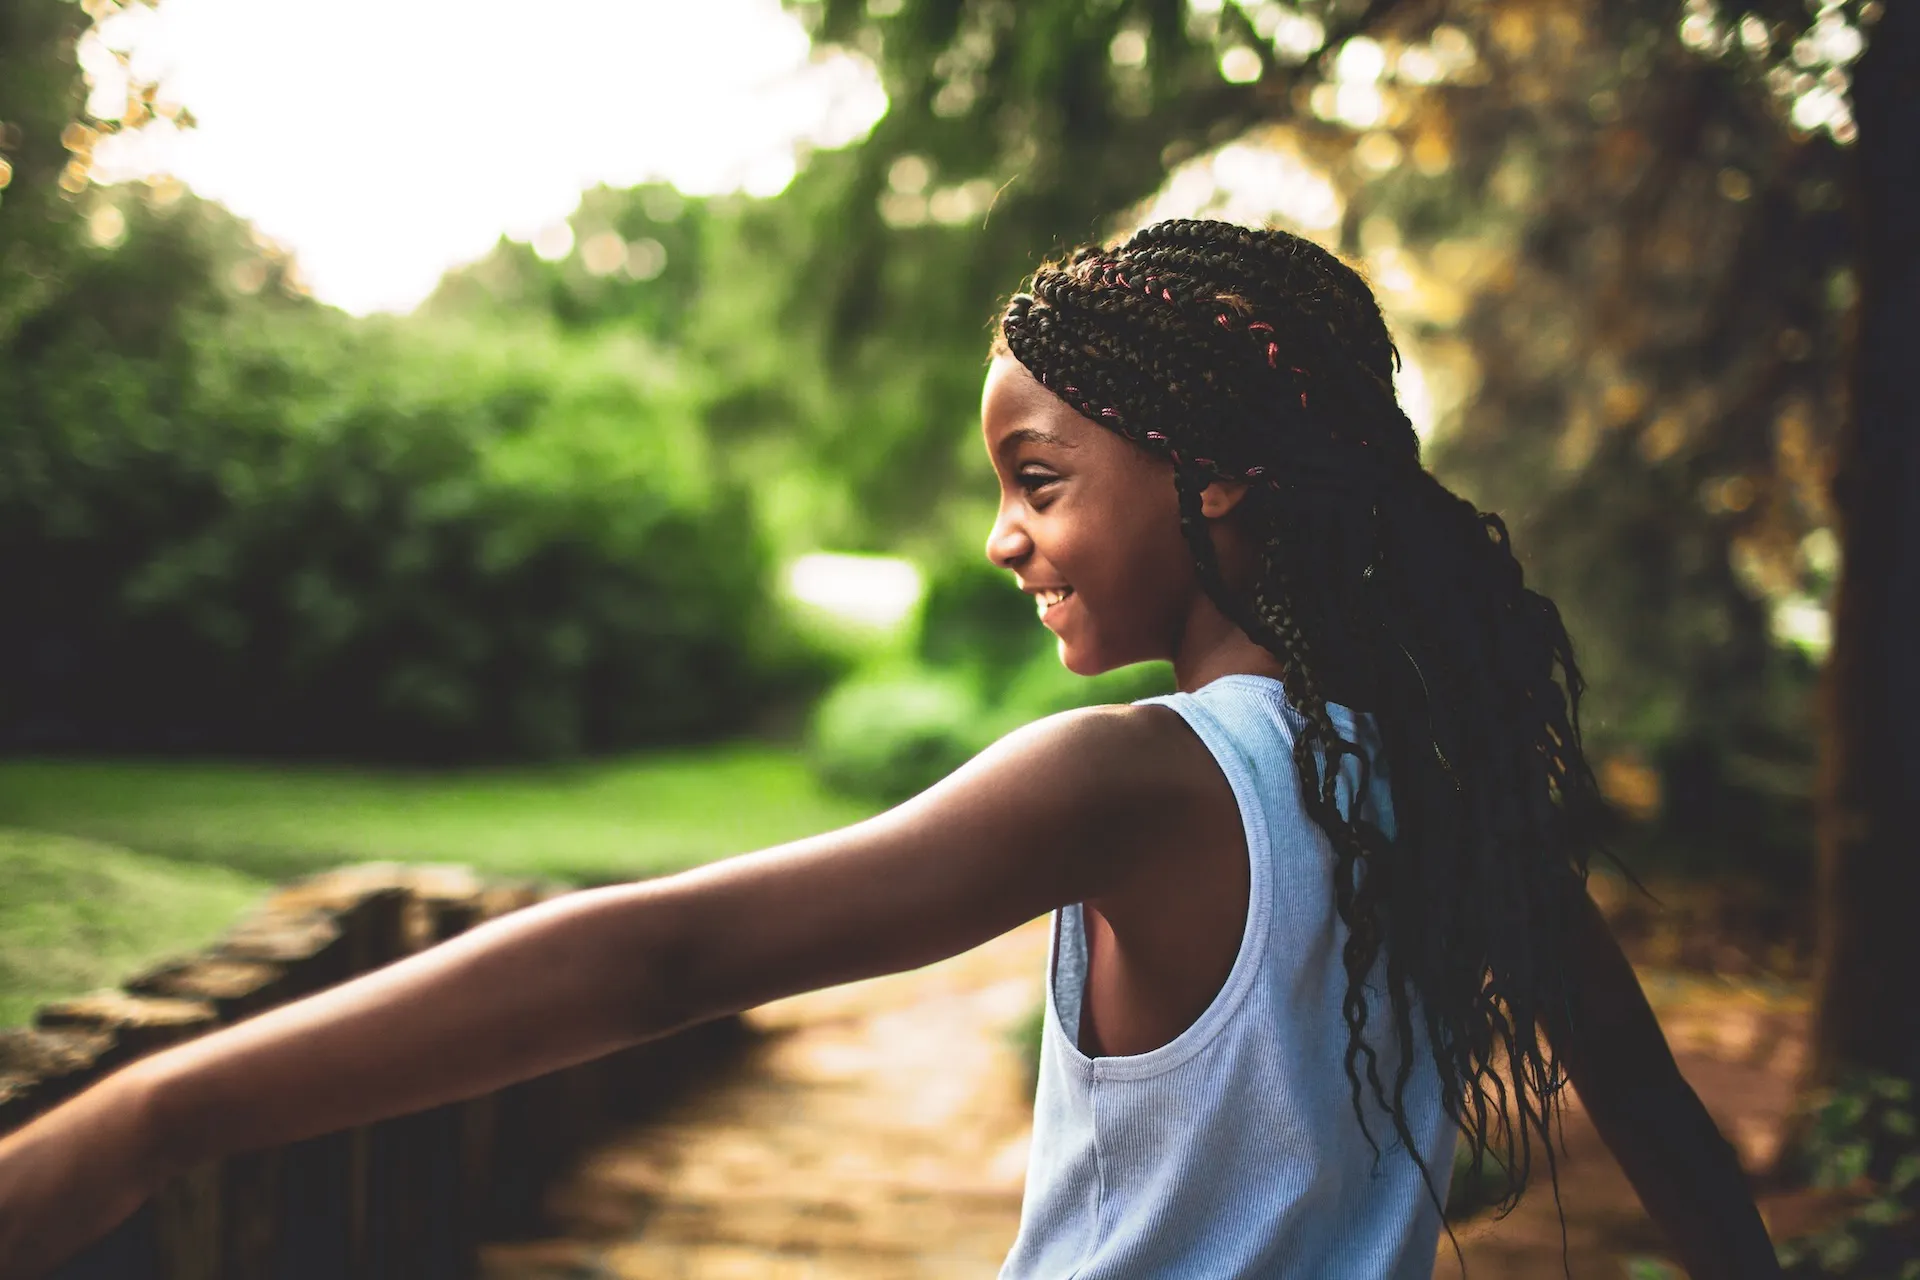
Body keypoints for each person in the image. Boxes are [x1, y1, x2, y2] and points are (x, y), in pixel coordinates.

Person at [0, 220, 1779, 1278]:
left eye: (1041, 478)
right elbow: (1663, 1128)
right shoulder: (1449, 779)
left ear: (1218, 473)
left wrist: (164, 1106)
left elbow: (669, 952)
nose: (1006, 537)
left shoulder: (1137, 778)